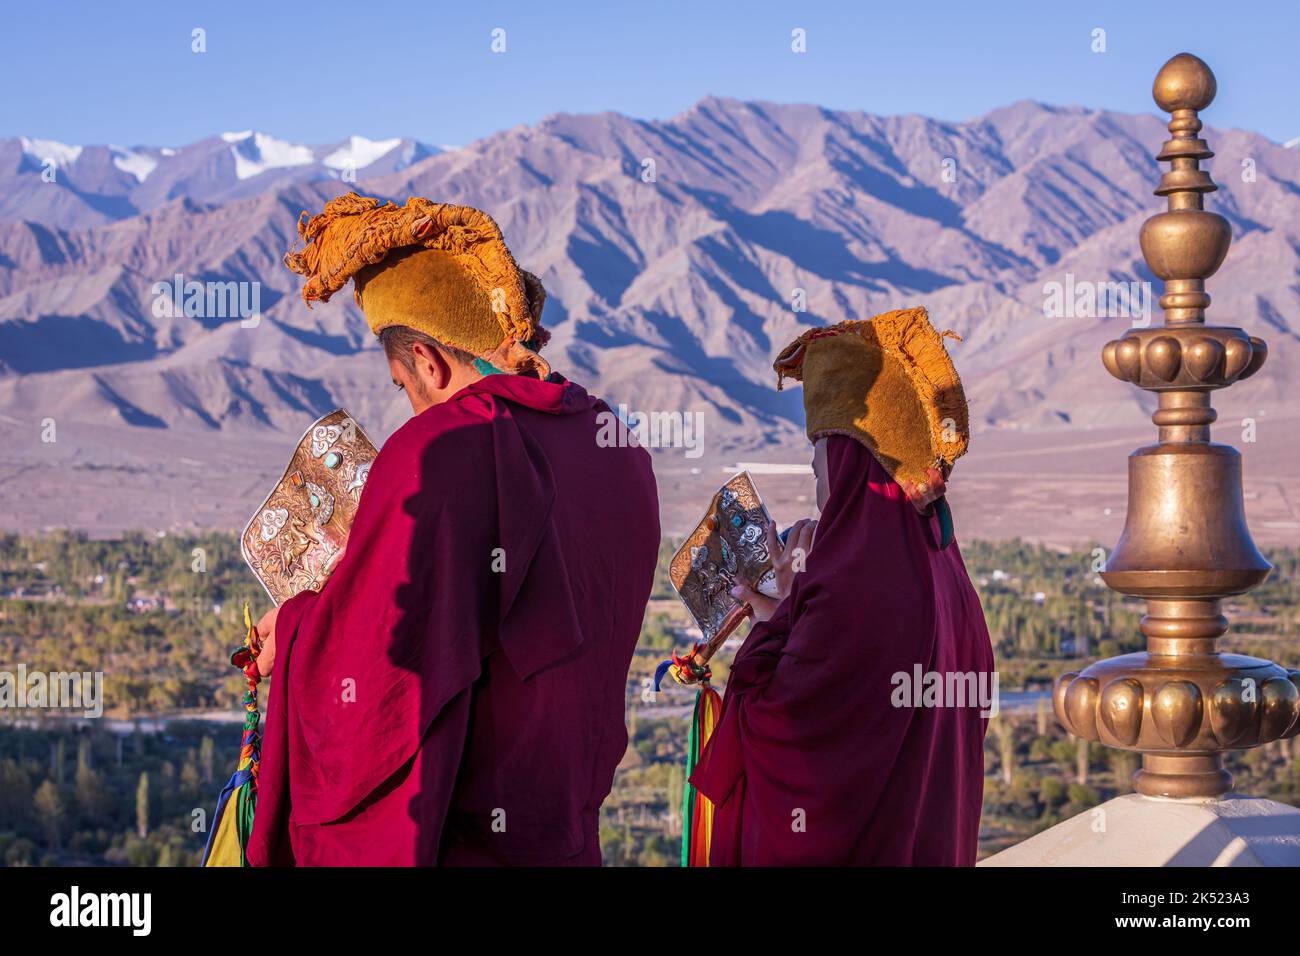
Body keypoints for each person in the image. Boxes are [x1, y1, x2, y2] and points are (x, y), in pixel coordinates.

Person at [246, 193, 660, 866]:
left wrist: (295, 631)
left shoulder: (436, 453)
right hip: (569, 841)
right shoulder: (620, 448)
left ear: (427, 362)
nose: (410, 406)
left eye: (402, 385)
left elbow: (379, 679)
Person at [691, 307, 995, 865]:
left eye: (819, 470)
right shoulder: (947, 570)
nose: (817, 491)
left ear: (853, 467)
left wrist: (779, 621)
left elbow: (773, 729)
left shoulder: (853, 585)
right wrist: (784, 612)